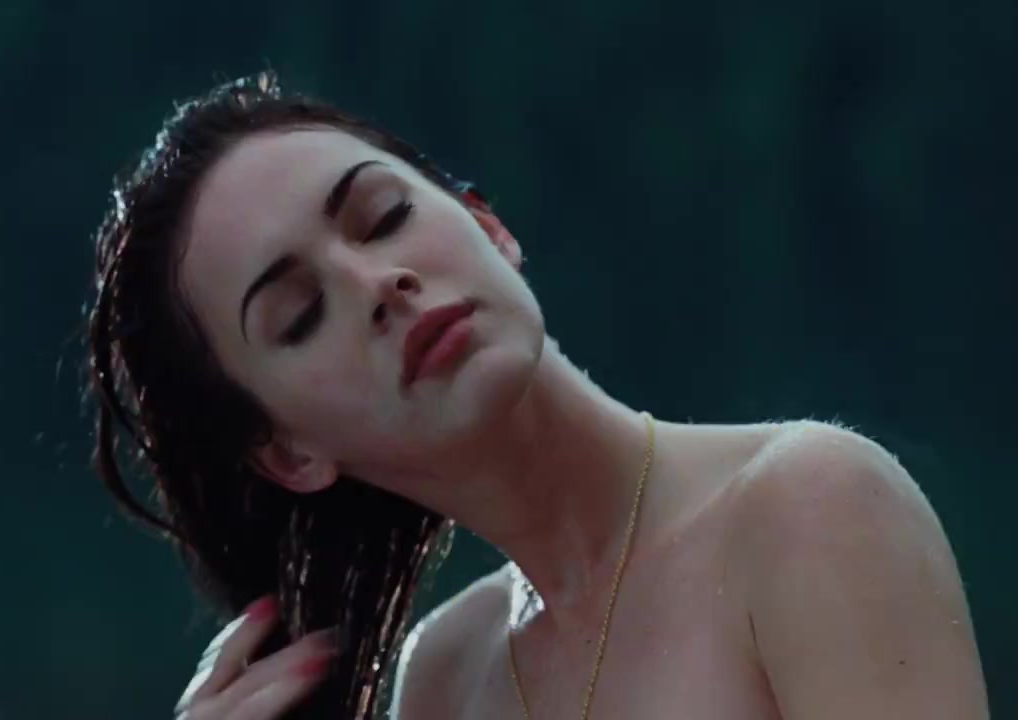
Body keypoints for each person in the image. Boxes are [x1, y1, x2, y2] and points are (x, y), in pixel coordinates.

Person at [85, 71, 989, 720]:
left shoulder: (808, 506)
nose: (378, 284)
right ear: (291, 454)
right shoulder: (442, 679)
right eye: (301, 314)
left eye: (384, 217)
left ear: (488, 225)